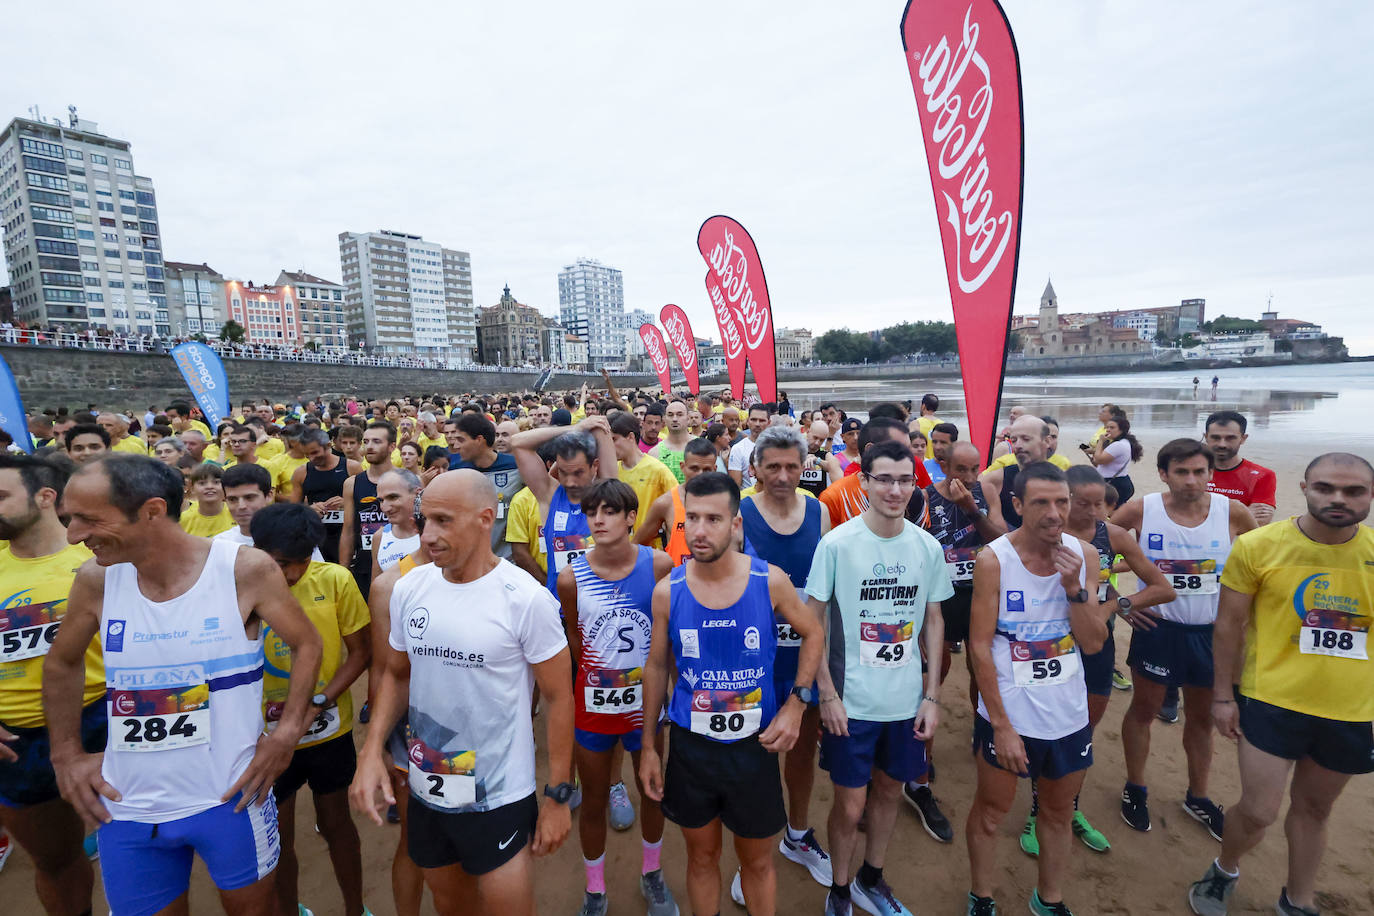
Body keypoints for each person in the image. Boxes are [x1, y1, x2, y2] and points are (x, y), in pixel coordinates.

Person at [44, 454, 324, 916]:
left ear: (152, 511)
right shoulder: (96, 580)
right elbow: (61, 664)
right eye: (69, 520)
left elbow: (307, 644)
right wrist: (66, 753)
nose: (73, 535)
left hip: (230, 796)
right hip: (127, 804)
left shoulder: (243, 569)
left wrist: (287, 736)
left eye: (88, 519)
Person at [348, 470, 574, 916]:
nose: (427, 535)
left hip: (499, 794)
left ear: (484, 519)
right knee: (450, 903)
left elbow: (558, 698)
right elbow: (395, 674)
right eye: (424, 519)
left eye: (443, 521)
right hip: (428, 787)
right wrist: (372, 749)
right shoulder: (409, 588)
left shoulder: (525, 599)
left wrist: (558, 796)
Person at [1188, 453, 1374, 916]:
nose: (1338, 499)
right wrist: (1223, 697)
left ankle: (1298, 899)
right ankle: (1225, 868)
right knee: (1258, 811)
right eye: (1326, 488)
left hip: (1350, 709)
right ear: (1306, 486)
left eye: (1354, 491)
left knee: (1314, 810)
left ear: (1370, 496)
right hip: (1271, 699)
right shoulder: (1260, 546)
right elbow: (1228, 626)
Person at [638, 472, 823, 916]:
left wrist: (797, 704)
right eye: (692, 519)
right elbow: (657, 666)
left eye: (714, 519)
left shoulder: (770, 581)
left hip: (753, 748)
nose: (700, 531)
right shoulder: (669, 592)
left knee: (757, 862)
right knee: (701, 857)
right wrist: (648, 746)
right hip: (691, 747)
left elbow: (813, 632)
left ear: (735, 525)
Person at [809, 439, 953, 916]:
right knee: (850, 807)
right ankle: (840, 888)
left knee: (890, 791)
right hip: (851, 703)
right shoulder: (836, 545)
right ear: (864, 481)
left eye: (905, 480)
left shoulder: (926, 546)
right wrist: (825, 693)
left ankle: (873, 877)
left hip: (905, 700)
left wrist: (931, 696)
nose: (895, 490)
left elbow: (933, 620)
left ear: (915, 485)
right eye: (884, 479)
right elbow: (815, 624)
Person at [964, 462, 1107, 916]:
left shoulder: (1083, 556)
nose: (1054, 513)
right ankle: (981, 896)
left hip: (1067, 712)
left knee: (1058, 812)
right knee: (991, 811)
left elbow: (1093, 641)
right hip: (1011, 713)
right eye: (1041, 502)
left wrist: (1074, 590)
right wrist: (1001, 726)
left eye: (1061, 502)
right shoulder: (994, 559)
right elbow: (980, 647)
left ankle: (1049, 899)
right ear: (1018, 504)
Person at [1016, 465, 1176, 859]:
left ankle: (1068, 807)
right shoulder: (1043, 536)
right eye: (1080, 503)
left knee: (1082, 732)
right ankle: (1039, 811)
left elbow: (1162, 588)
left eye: (1098, 504)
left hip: (1094, 645)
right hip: (1048, 644)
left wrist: (1114, 605)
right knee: (1043, 731)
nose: (1089, 512)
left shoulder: (1114, 536)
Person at [1110, 438, 1256, 838]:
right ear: (1163, 474)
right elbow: (1094, 547)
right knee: (1144, 710)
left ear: (1211, 474)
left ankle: (1199, 795)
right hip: (1158, 630)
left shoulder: (1234, 512)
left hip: (1211, 634)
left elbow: (1260, 565)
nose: (1191, 481)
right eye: (1181, 472)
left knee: (1201, 718)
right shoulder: (1143, 508)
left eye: (1199, 472)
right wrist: (1121, 601)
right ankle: (1136, 787)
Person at [557, 480, 678, 916]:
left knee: (653, 790)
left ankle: (652, 874)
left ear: (632, 517)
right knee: (592, 798)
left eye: (610, 511)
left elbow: (670, 634)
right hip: (594, 706)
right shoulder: (571, 577)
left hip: (645, 705)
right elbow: (573, 635)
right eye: (592, 513)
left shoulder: (660, 564)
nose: (599, 520)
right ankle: (594, 889)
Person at [251, 503, 372, 916]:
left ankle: (354, 908)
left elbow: (360, 653)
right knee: (279, 836)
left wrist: (319, 701)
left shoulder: (336, 580)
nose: (288, 574)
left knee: (337, 823)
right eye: (279, 563)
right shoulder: (240, 587)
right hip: (265, 739)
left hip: (328, 732)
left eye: (298, 564)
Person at [0, 455, 104, 916]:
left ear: (45, 498)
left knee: (142, 845)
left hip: (106, 721)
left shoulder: (102, 560)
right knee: (55, 860)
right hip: (17, 741)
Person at [735, 427, 835, 902]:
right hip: (751, 658)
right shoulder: (740, 512)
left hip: (804, 653)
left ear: (805, 467)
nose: (782, 475)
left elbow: (827, 592)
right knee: (753, 755)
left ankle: (797, 834)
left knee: (801, 753)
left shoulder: (820, 512)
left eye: (792, 466)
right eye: (771, 466)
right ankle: (753, 852)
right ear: (754, 468)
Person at [920, 441, 1007, 792]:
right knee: (935, 670)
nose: (970, 477)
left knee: (980, 665)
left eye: (975, 469)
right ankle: (924, 747)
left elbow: (1002, 540)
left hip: (979, 593)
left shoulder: (985, 490)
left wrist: (973, 509)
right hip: (940, 597)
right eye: (962, 470)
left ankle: (980, 731)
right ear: (945, 466)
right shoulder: (925, 496)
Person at [508, 417, 617, 593]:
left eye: (578, 473)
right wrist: (575, 428)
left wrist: (587, 427)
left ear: (594, 466)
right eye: (564, 473)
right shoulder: (550, 495)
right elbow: (517, 442)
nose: (570, 482)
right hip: (561, 610)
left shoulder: (607, 495)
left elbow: (600, 426)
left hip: (602, 606)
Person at [821, 419, 931, 528]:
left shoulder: (914, 495)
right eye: (897, 448)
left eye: (907, 449)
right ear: (870, 449)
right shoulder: (835, 496)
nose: (908, 455)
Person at [446, 413, 522, 557]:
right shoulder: (455, 471)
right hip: (470, 558)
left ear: (479, 440)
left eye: (461, 440)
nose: (455, 445)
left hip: (511, 558)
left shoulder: (515, 467)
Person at [635, 437, 721, 566]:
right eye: (694, 468)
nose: (700, 475)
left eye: (706, 470)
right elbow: (637, 545)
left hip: (713, 582)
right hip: (677, 582)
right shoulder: (666, 503)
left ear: (714, 469)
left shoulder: (724, 503)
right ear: (683, 467)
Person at [216, 464, 325, 561]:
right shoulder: (219, 545)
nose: (241, 506)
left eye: (249, 498)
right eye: (232, 499)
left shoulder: (298, 537)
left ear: (269, 495)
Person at [292, 427, 362, 565]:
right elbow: (292, 510)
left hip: (346, 534)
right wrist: (309, 510)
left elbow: (365, 503)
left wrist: (347, 502)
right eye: (307, 455)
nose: (312, 458)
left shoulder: (351, 467)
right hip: (317, 536)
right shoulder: (301, 472)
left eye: (315, 453)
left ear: (328, 446)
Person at [339, 422, 393, 595]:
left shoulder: (409, 480)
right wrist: (343, 572)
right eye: (366, 441)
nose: (369, 446)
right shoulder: (352, 484)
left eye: (376, 441)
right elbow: (348, 530)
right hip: (365, 565)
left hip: (401, 562)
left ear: (392, 446)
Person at [609, 414, 678, 543]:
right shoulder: (612, 472)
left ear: (630, 437)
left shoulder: (658, 470)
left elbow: (676, 510)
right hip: (619, 551)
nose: (609, 446)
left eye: (614, 439)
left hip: (652, 553)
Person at [1203, 410, 1277, 526]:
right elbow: (1180, 514)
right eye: (1216, 438)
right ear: (1206, 437)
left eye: (1230, 438)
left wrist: (1205, 516)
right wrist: (1244, 513)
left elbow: (1259, 524)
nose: (1222, 444)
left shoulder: (1262, 476)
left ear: (1243, 438)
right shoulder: (1190, 471)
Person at [980, 414, 1052, 530]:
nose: (1017, 445)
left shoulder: (1062, 480)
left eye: (1026, 439)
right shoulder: (996, 479)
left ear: (1047, 441)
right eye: (1013, 440)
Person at [371, 468, 423, 580]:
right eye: (381, 500)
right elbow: (378, 588)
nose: (385, 508)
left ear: (417, 494)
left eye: (393, 497)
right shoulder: (379, 537)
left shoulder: (436, 533)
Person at [1085, 412, 1143, 502]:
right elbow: (1106, 460)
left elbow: (1098, 459)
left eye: (1112, 428)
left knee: (1111, 512)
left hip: (1115, 484)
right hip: (1119, 481)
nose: (1108, 430)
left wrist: (1101, 441)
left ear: (1121, 430)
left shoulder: (1118, 445)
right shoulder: (1123, 442)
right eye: (1107, 427)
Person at [179, 462, 235, 537]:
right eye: (202, 483)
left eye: (216, 482)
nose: (209, 487)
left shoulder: (235, 514)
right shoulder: (184, 520)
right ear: (192, 488)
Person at [727, 403, 772, 490]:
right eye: (754, 420)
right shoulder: (738, 449)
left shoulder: (778, 447)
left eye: (762, 420)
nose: (757, 424)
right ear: (747, 421)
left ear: (769, 422)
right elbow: (735, 486)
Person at [653, 399, 692, 483]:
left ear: (688, 418)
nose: (674, 419)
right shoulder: (655, 453)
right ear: (665, 419)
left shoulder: (701, 445)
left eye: (679, 415)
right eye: (670, 415)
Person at [915, 394, 940, 459]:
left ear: (923, 406)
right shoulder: (943, 424)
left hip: (922, 465)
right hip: (939, 465)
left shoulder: (916, 423)